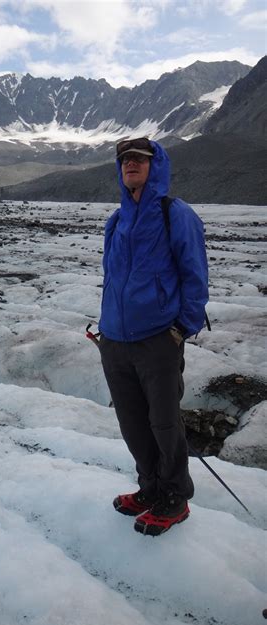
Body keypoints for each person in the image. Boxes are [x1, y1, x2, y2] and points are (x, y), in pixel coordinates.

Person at [98, 137, 209, 536]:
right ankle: (149, 489)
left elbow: (195, 275)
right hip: (115, 341)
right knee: (133, 422)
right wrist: (108, 328)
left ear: (154, 165)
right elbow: (113, 279)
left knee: (164, 423)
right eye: (125, 159)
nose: (130, 164)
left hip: (158, 338)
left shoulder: (174, 214)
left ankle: (175, 497)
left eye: (139, 159)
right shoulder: (117, 219)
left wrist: (180, 329)